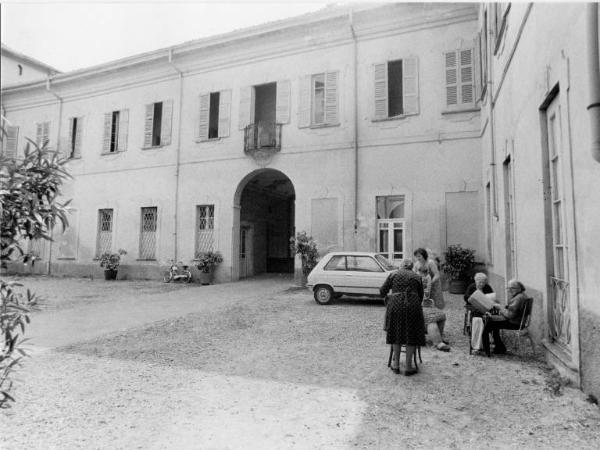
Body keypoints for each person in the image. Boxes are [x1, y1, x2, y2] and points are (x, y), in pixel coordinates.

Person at [381, 259, 426, 376]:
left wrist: (388, 298)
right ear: (411, 267)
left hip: (395, 305)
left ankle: (395, 365)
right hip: (413, 306)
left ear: (401, 266)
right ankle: (408, 367)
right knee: (411, 333)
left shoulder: (393, 274)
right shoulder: (417, 276)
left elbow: (382, 291)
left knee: (396, 332)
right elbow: (421, 296)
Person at [482, 279, 530, 355]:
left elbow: (510, 315)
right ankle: (499, 348)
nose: (510, 290)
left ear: (519, 288)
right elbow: (512, 309)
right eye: (509, 288)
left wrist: (500, 308)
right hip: (517, 320)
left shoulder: (519, 298)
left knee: (488, 324)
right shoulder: (521, 295)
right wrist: (503, 307)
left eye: (513, 288)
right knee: (493, 322)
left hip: (514, 322)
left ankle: (487, 351)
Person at [415, 261, 450, 352]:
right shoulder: (416, 280)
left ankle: (438, 336)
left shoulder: (424, 278)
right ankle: (438, 342)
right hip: (416, 306)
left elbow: (426, 293)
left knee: (441, 315)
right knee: (431, 318)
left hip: (423, 304)